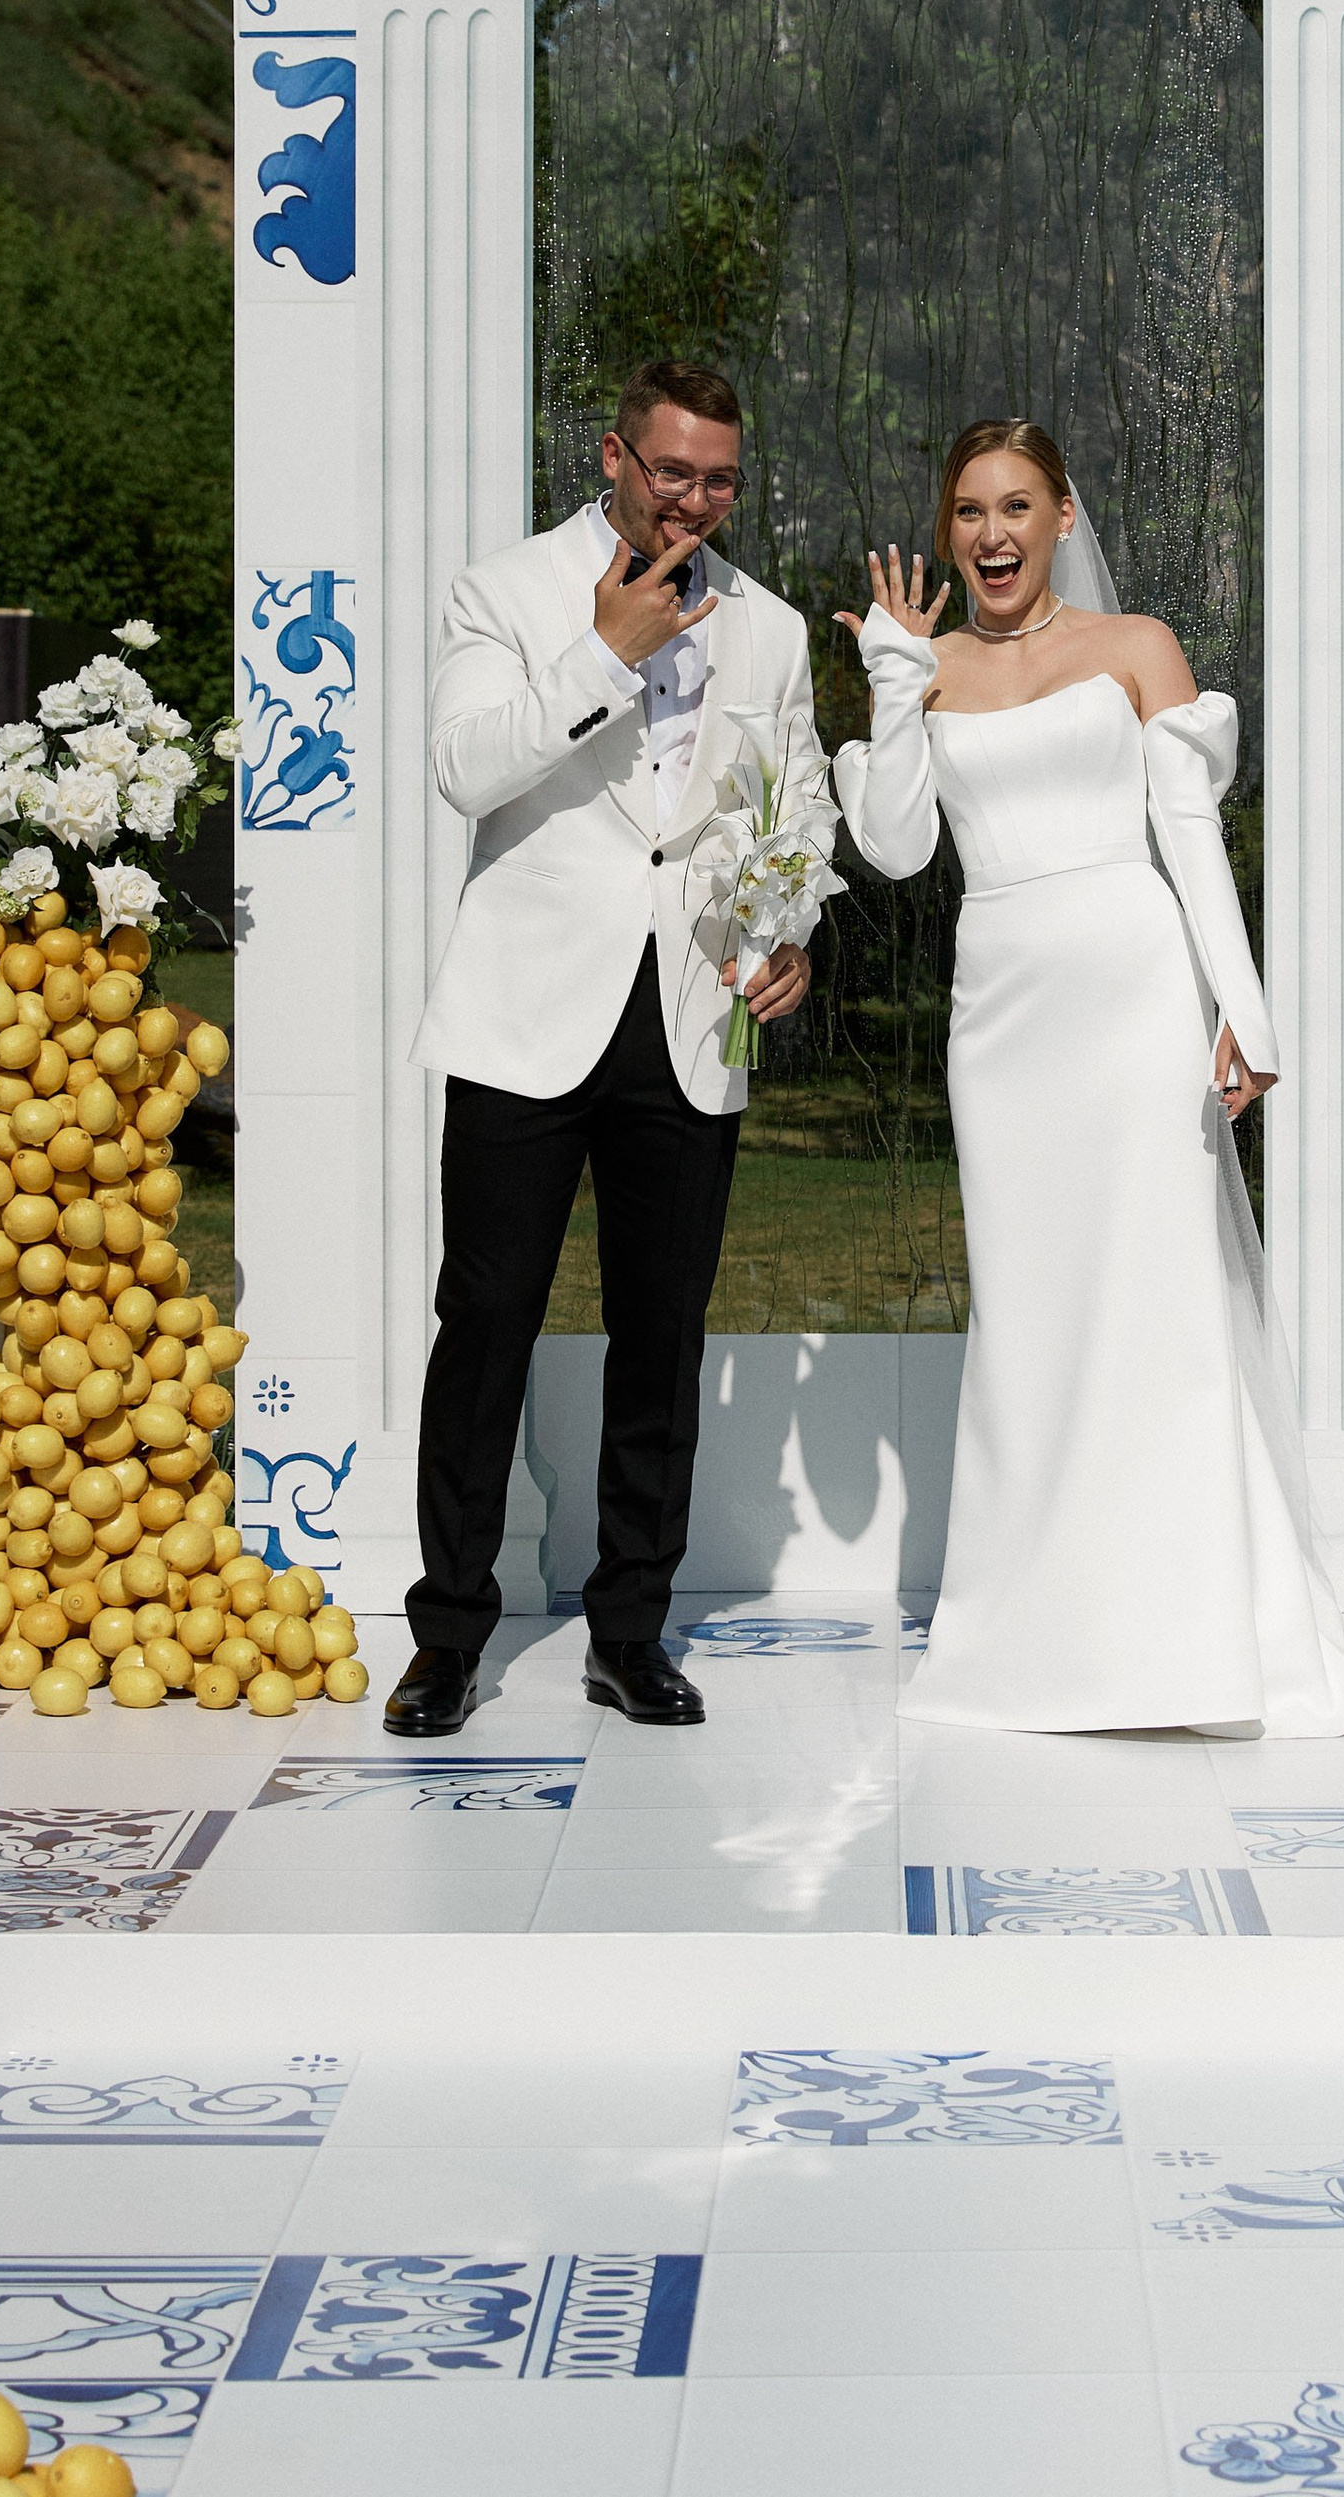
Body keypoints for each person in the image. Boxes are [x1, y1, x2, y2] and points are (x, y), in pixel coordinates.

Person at [834, 418, 1344, 1736]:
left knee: (1160, 1305)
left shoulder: (1138, 647)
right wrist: (888, 677)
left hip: (1137, 995)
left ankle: (1189, 1635)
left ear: (1061, 514)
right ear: (947, 528)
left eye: (1016, 505)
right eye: (969, 509)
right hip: (1003, 1016)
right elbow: (901, 848)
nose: (990, 533)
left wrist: (1244, 1014)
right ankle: (1036, 1636)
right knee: (1035, 1320)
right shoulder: (929, 670)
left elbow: (1188, 838)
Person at [387, 359, 826, 1738]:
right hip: (526, 1014)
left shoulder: (770, 625)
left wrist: (790, 925)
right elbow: (466, 767)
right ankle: (448, 1632)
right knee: (487, 1324)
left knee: (662, 1336)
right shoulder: (505, 592)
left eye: (718, 478)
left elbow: (796, 798)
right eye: (671, 471)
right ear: (614, 459)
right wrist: (606, 651)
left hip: (691, 1013)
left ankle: (630, 1627)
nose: (694, 499)